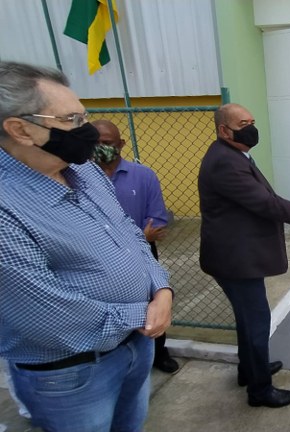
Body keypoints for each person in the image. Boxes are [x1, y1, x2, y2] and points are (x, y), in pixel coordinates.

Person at [0, 61, 173, 431]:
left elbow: (128, 233)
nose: (88, 131)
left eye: (84, 116)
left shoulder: (83, 169)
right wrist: (145, 314)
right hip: (72, 374)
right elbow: (44, 313)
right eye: (71, 120)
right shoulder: (6, 207)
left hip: (135, 345)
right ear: (20, 129)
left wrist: (161, 287)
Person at [198, 103, 290, 409]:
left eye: (252, 120)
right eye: (243, 123)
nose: (251, 127)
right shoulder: (225, 162)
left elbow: (266, 201)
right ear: (224, 130)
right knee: (256, 320)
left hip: (236, 255)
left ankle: (249, 370)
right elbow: (268, 204)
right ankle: (260, 390)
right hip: (235, 259)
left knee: (247, 318)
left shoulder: (233, 154)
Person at [91, 119, 180, 375]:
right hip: (99, 259)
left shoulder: (143, 176)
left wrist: (139, 238)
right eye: (95, 143)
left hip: (142, 254)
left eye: (107, 143)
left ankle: (159, 353)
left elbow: (157, 222)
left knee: (151, 301)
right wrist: (142, 234)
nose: (101, 148)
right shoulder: (78, 178)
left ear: (120, 144)